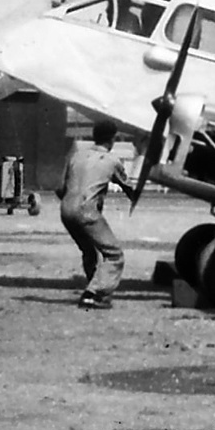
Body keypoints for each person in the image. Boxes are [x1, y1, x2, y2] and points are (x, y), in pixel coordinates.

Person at [57, 120, 137, 309]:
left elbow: (60, 188)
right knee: (114, 255)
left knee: (89, 251)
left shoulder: (76, 156)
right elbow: (130, 189)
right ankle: (94, 294)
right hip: (86, 211)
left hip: (66, 210)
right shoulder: (111, 160)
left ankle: (92, 286)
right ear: (112, 139)